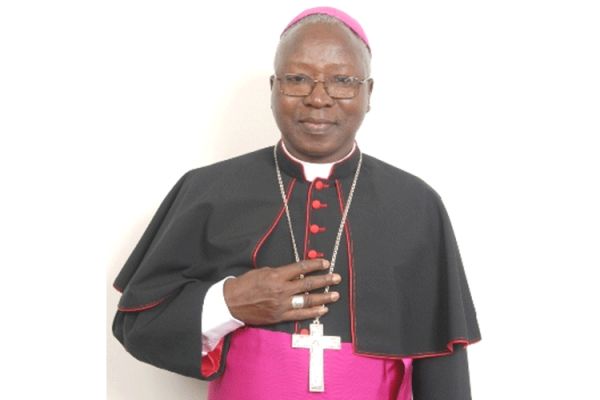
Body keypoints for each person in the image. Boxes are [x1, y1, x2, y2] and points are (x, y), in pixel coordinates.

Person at [112, 6, 480, 400]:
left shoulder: (415, 204)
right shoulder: (207, 190)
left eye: (342, 81)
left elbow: (444, 368)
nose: (318, 98)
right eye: (298, 79)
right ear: (273, 88)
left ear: (368, 94)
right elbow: (138, 325)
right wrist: (228, 303)